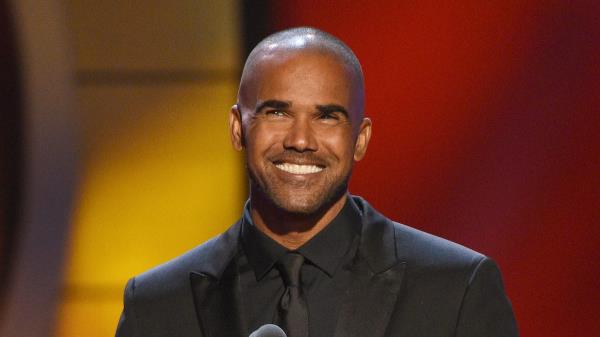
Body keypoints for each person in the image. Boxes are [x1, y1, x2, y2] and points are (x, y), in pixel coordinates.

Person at [115, 27, 518, 337]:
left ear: (359, 140)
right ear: (238, 128)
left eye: (327, 116)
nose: (301, 141)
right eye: (276, 112)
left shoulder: (455, 289)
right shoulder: (157, 306)